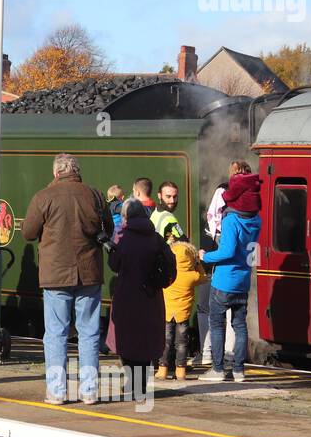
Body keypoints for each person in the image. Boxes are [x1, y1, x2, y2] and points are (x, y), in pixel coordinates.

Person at [21, 153, 113, 405]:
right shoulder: (94, 195)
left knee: (56, 333)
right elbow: (109, 229)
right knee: (89, 332)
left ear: (56, 172)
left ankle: (57, 391)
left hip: (55, 275)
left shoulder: (44, 196)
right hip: (89, 273)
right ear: (77, 171)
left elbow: (28, 233)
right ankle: (90, 391)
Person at [108, 199, 175, 401]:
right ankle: (142, 387)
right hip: (151, 296)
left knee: (127, 340)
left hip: (127, 296)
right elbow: (170, 265)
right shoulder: (156, 238)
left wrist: (110, 249)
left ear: (126, 217)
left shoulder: (123, 238)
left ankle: (131, 384)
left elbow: (114, 265)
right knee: (146, 341)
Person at [199, 170, 262, 383]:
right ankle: (238, 370)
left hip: (224, 280)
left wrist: (205, 256)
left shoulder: (231, 220)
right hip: (243, 281)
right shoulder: (257, 220)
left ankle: (217, 369)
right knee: (240, 325)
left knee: (217, 323)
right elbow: (253, 251)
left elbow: (226, 251)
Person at [159, 237, 204, 380]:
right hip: (183, 315)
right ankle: (181, 371)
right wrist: (197, 263)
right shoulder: (192, 276)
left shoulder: (169, 273)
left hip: (167, 313)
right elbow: (203, 277)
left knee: (166, 342)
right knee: (182, 343)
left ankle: (162, 370)